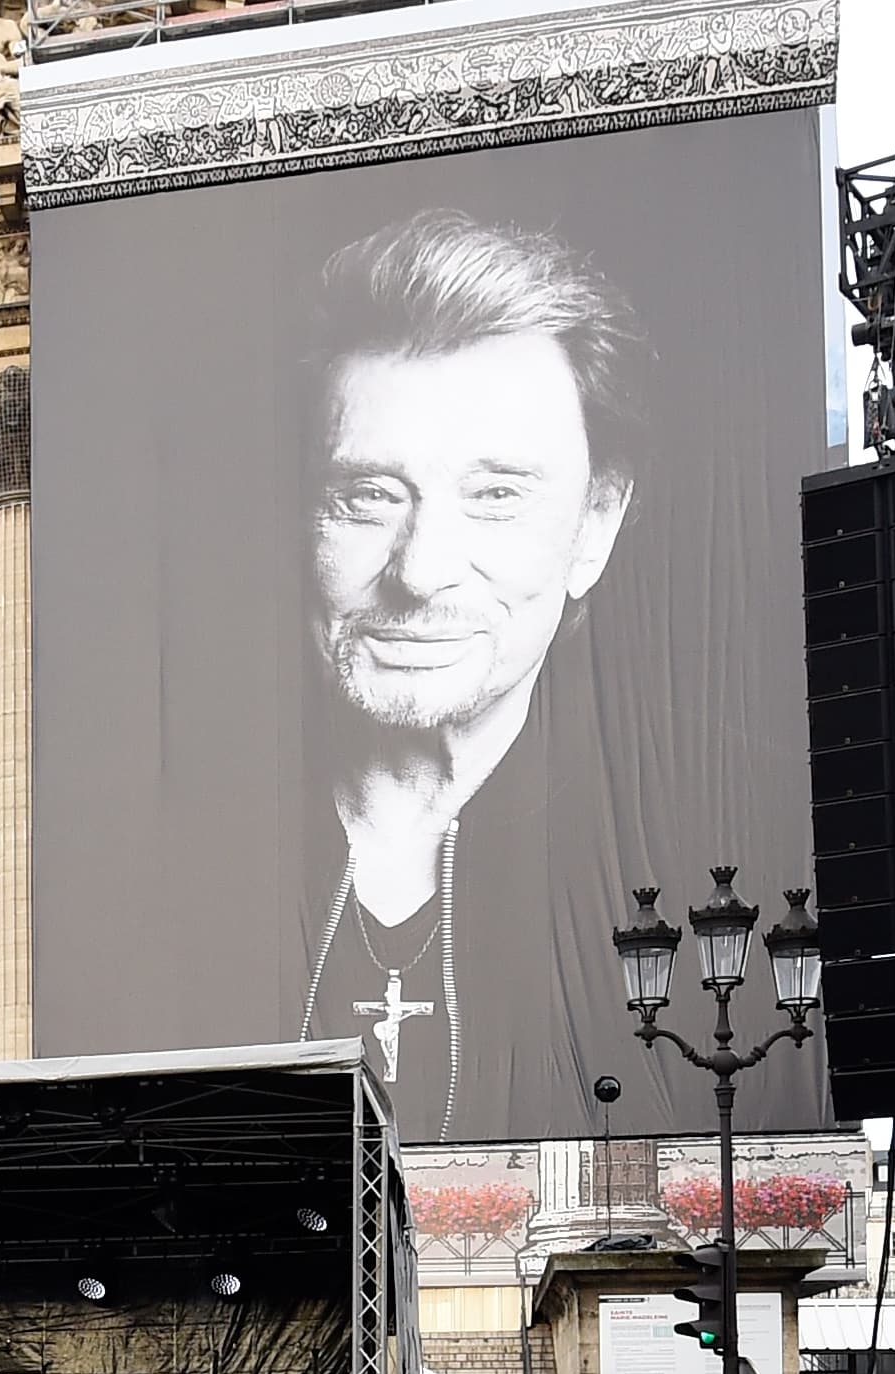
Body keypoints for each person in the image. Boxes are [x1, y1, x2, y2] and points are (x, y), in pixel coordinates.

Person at [288, 211, 641, 1139]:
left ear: (595, 525)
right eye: (367, 497)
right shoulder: (173, 867)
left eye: (495, 497)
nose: (420, 570)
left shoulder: (654, 881)